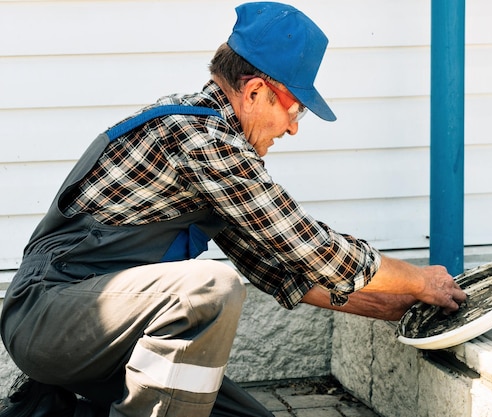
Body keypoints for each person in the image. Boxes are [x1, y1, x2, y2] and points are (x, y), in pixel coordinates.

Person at [0, 2, 466, 416]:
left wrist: (401, 308)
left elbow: (287, 273)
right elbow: (309, 247)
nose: (292, 128)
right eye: (296, 109)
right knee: (210, 287)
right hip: (50, 319)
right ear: (256, 90)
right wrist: (420, 278)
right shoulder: (198, 137)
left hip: (103, 334)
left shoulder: (216, 151)